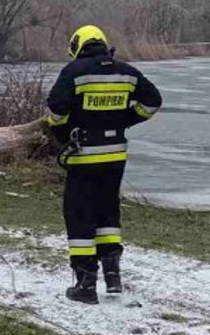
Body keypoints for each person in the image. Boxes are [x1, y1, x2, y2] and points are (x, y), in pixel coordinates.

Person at [46, 26, 162, 304]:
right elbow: (153, 102)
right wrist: (123, 119)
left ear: (77, 45)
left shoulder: (74, 72)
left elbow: (56, 111)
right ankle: (113, 278)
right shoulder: (127, 72)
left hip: (84, 154)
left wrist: (63, 134)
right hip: (115, 156)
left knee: (79, 215)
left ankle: (85, 285)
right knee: (108, 213)